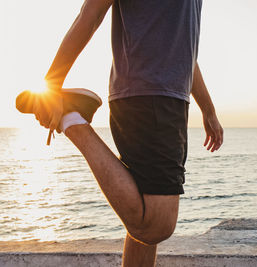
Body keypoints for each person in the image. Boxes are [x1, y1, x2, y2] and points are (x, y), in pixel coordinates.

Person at [17, 0, 223, 266]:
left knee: (143, 216)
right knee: (155, 226)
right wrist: (51, 87)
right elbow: (91, 13)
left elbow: (184, 51)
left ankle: (71, 116)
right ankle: (71, 118)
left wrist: (208, 109)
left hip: (167, 99)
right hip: (148, 96)